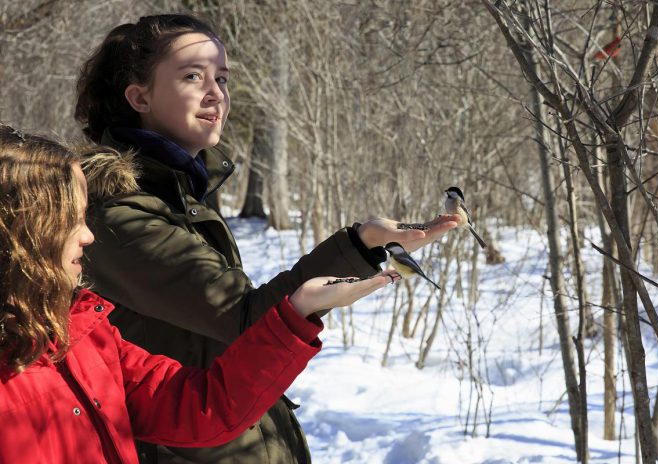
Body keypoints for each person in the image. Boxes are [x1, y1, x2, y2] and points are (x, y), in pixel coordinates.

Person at [74, 14, 461, 464]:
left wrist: (366, 243)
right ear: (139, 96)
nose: (215, 93)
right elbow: (245, 319)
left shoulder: (180, 193)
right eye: (193, 76)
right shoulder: (120, 213)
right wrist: (355, 247)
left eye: (222, 78)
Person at [0, 125, 400, 463]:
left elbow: (201, 405)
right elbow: (238, 311)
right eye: (69, 220)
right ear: (20, 229)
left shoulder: (84, 334)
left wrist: (298, 310)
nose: (88, 235)